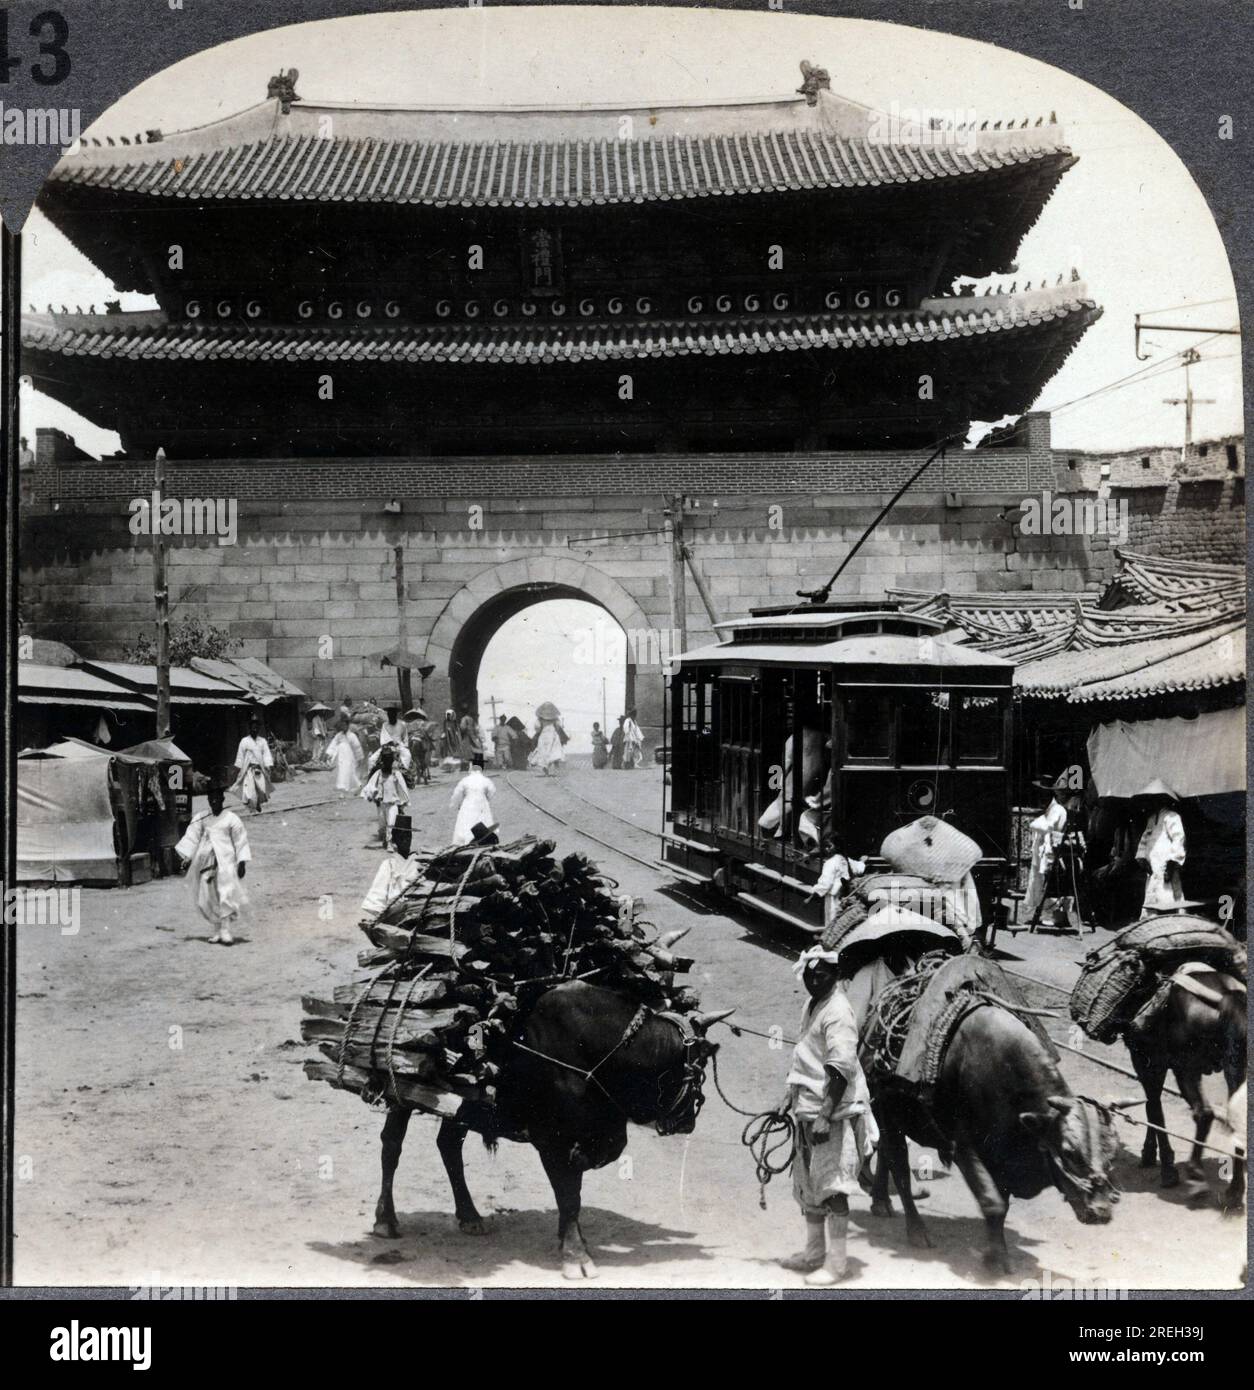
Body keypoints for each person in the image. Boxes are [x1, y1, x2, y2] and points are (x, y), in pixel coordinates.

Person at [777, 945, 878, 1286]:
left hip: (832, 1112)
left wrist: (824, 1114)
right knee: (809, 1186)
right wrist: (787, 1097)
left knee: (834, 1188)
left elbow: (840, 1067)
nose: (813, 981)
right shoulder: (812, 1004)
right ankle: (813, 1253)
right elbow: (806, 1057)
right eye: (808, 975)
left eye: (821, 976)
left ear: (835, 976)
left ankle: (837, 1265)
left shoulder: (838, 1011)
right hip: (807, 1105)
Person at [175, 783, 251, 945]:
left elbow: (240, 841)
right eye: (211, 799)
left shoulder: (231, 819)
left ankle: (226, 930)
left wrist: (242, 861)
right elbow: (192, 836)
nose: (214, 802)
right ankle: (216, 929)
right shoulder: (202, 817)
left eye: (216, 798)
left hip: (226, 862)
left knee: (226, 893)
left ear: (222, 799)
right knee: (206, 897)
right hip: (206, 862)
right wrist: (186, 857)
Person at [1025, 772, 1079, 928]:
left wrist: (1035, 822)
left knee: (1054, 884)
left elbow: (1046, 827)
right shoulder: (1050, 808)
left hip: (1054, 850)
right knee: (1046, 883)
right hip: (1045, 849)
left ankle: (1060, 917)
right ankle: (1057, 916)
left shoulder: (1058, 810)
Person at [1134, 780, 1188, 911]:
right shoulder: (1152, 819)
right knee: (1153, 896)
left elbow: (1179, 838)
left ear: (1164, 799)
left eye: (1157, 798)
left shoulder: (1172, 816)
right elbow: (1145, 838)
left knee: (1169, 895)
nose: (1153, 801)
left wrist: (1173, 861)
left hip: (1166, 865)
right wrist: (1142, 858)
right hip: (1153, 865)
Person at [361, 745, 411, 850]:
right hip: (381, 804)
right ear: (383, 761)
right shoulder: (378, 773)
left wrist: (404, 802)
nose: (387, 762)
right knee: (383, 824)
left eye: (389, 760)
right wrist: (370, 795)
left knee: (391, 823)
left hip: (393, 803)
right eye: (385, 760)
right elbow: (370, 786)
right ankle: (385, 839)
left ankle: (389, 843)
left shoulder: (396, 774)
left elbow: (402, 788)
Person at [450, 756, 496, 846]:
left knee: (466, 822)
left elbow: (457, 794)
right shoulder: (486, 780)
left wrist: (457, 804)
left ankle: (464, 843)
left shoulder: (465, 780)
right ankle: (483, 841)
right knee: (483, 822)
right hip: (482, 804)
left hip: (468, 804)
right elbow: (492, 792)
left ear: (471, 768)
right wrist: (486, 799)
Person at [233, 715, 274, 814]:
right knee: (250, 791)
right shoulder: (244, 741)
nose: (254, 728)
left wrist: (268, 764)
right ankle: (253, 806)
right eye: (253, 726)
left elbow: (266, 754)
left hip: (259, 769)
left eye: (257, 726)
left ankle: (257, 804)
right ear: (250, 727)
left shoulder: (262, 741)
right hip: (248, 770)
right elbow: (240, 755)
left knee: (261, 789)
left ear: (259, 728)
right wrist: (238, 768)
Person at [325, 722, 364, 797]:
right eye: (342, 727)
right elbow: (333, 744)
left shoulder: (352, 736)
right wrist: (329, 753)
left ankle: (358, 786)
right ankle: (343, 792)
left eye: (344, 726)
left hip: (349, 756)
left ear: (347, 726)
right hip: (341, 756)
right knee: (342, 773)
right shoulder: (339, 735)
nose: (343, 728)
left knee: (350, 772)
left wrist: (359, 758)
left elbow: (357, 747)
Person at [529, 704, 566, 776]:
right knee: (553, 751)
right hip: (553, 735)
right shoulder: (556, 719)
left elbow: (537, 727)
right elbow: (558, 726)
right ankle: (550, 768)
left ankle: (545, 768)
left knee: (543, 751)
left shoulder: (540, 719)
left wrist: (540, 730)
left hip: (544, 735)